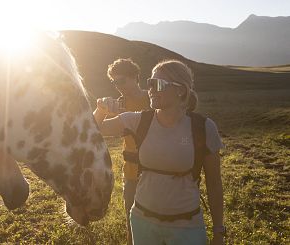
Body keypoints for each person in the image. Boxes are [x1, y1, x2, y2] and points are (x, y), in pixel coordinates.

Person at [94, 60, 225, 245]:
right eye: (150, 83)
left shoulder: (203, 128)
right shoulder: (139, 120)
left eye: (157, 84)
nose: (151, 90)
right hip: (142, 221)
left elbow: (214, 183)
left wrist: (219, 230)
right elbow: (93, 129)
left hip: (187, 226)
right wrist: (101, 110)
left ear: (180, 90)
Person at [94, 58, 150, 245]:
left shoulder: (153, 99)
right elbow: (94, 130)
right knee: (133, 224)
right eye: (114, 82)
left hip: (159, 173)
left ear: (135, 77)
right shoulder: (117, 105)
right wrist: (100, 111)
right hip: (132, 174)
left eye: (121, 81)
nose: (118, 86)